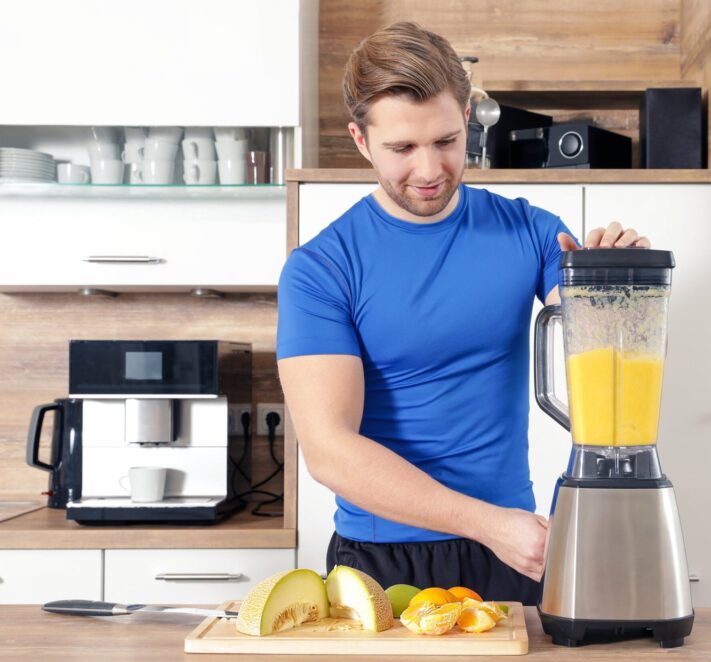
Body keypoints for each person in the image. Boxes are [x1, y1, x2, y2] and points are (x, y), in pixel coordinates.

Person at [277, 21, 650, 604]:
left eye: (446, 141)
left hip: (511, 550)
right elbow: (329, 450)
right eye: (402, 148)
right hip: (381, 559)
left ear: (469, 119)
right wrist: (489, 523)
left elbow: (604, 362)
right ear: (359, 139)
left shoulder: (530, 231)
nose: (428, 171)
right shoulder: (321, 268)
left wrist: (613, 281)